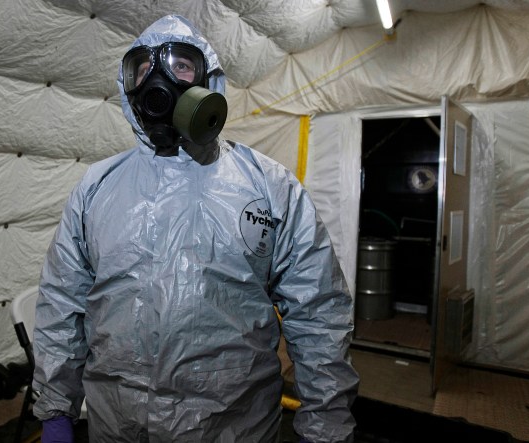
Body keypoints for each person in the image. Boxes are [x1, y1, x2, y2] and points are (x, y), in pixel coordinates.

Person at [32, 14, 358, 443]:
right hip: (119, 424)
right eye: (142, 70)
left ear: (208, 80)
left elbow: (317, 312)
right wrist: (56, 409)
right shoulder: (97, 187)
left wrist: (325, 426)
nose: (157, 80)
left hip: (232, 425)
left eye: (180, 65)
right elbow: (62, 301)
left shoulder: (268, 186)